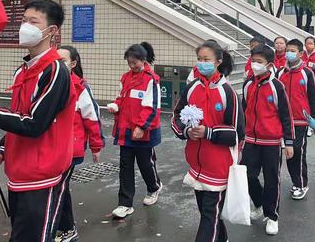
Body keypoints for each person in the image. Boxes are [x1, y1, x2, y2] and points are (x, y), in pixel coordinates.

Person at [0, 0, 75, 242]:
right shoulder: (23, 71)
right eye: (23, 21)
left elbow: (34, 124)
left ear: (52, 31)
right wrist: (2, 151)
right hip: (19, 171)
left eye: (33, 22)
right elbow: (19, 114)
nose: (25, 27)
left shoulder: (55, 71)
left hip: (43, 176)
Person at [171, 40, 244, 242]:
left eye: (206, 59)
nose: (201, 63)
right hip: (196, 163)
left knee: (209, 216)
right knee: (208, 214)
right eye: (199, 59)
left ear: (218, 62)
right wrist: (186, 131)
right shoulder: (192, 87)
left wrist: (208, 132)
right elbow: (175, 116)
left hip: (219, 166)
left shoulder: (228, 92)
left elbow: (237, 134)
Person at [241, 45, 294, 236]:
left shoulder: (277, 86)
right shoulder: (248, 84)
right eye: (253, 61)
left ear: (270, 65)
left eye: (259, 62)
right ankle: (261, 203)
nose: (255, 65)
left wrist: (288, 142)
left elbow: (286, 115)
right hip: (251, 140)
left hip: (271, 142)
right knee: (246, 176)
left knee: (272, 180)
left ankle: (272, 216)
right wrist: (241, 137)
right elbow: (244, 111)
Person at [107, 42, 162, 219]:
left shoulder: (151, 79)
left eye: (134, 62)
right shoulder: (125, 78)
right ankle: (125, 204)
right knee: (125, 165)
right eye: (129, 63)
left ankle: (154, 188)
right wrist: (116, 105)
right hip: (127, 130)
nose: (132, 66)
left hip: (143, 130)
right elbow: (122, 97)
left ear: (143, 60)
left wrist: (141, 126)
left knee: (146, 163)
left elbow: (152, 107)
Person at [56, 46, 105, 242]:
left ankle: (67, 228)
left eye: (62, 61)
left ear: (73, 63)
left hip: (71, 149)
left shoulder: (80, 88)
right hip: (53, 147)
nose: (57, 64)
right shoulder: (50, 83)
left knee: (60, 187)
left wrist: (96, 146)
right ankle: (58, 225)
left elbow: (92, 118)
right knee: (57, 187)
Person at [276, 39, 315, 200]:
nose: (289, 52)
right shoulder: (280, 73)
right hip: (283, 121)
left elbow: (313, 97)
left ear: (301, 53)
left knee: (298, 152)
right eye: (288, 50)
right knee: (289, 153)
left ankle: (301, 184)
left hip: (301, 120)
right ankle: (296, 182)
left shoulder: (307, 73)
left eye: (293, 50)